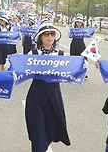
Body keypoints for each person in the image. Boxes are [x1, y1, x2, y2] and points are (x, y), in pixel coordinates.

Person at [24, 23, 71, 152]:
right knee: (38, 131)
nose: (50, 37)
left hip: (54, 96)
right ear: (40, 37)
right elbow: (19, 68)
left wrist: (88, 64)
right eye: (46, 34)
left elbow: (75, 69)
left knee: (51, 129)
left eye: (52, 34)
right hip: (36, 96)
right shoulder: (33, 53)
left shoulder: (62, 55)